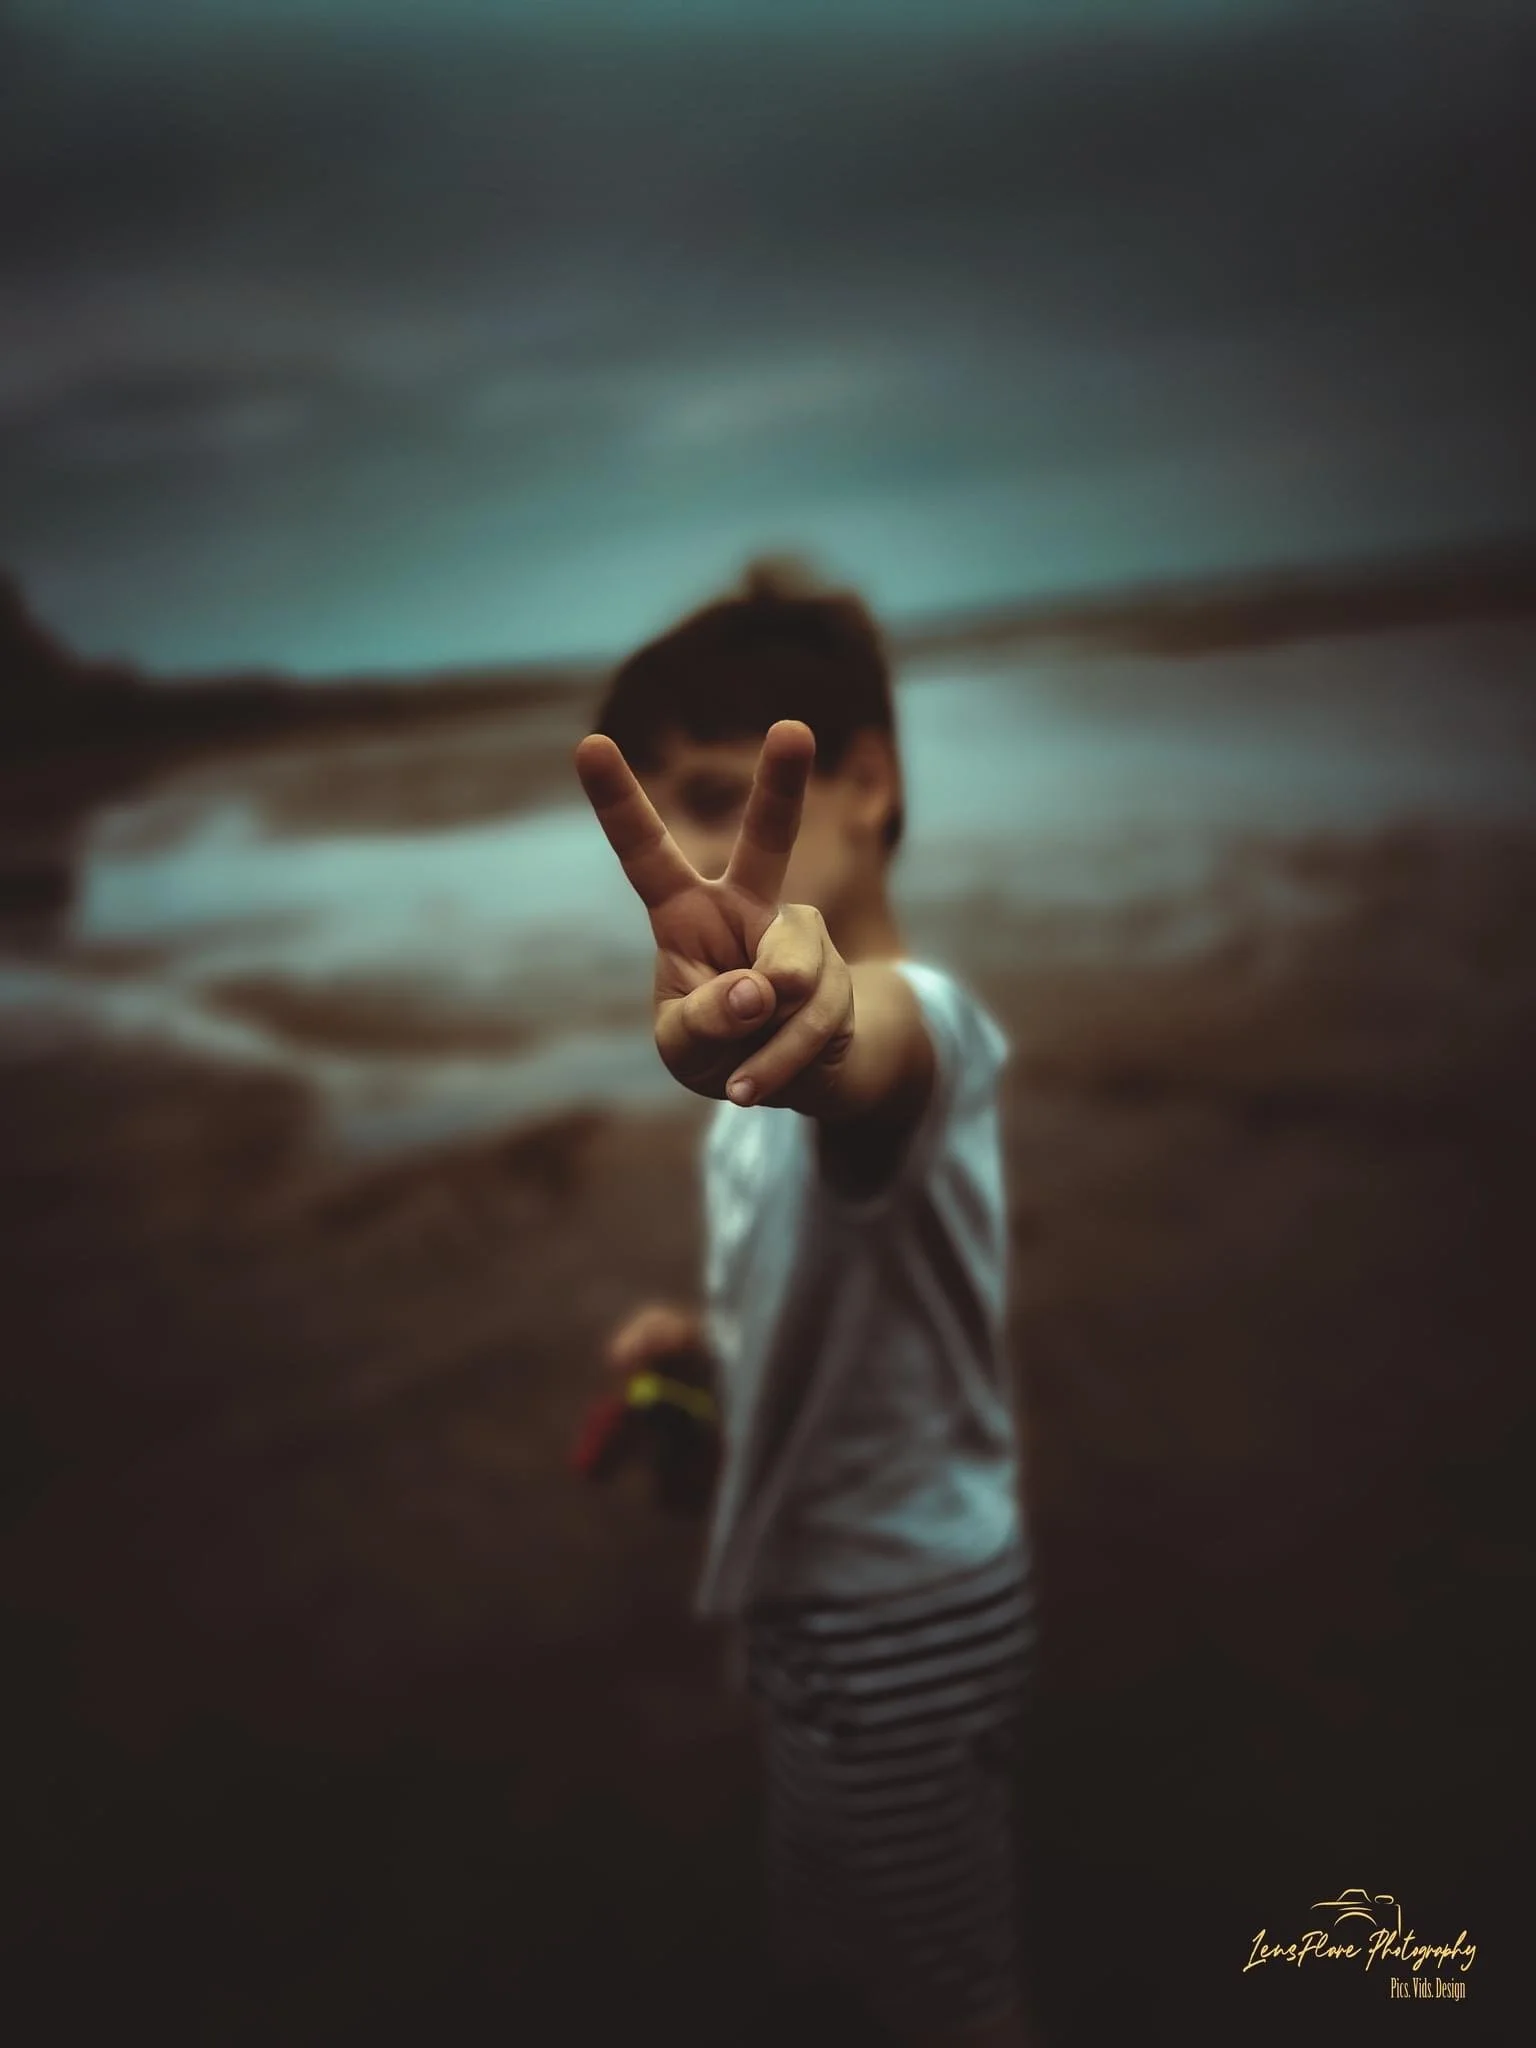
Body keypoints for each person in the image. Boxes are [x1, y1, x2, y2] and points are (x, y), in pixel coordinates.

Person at [574, 563, 1043, 2048]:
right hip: (818, 1605)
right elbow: (833, 1280)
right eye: (670, 811)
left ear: (867, 782)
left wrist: (830, 1029)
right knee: (838, 1948)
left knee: (950, 1997)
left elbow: (877, 1058)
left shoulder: (907, 1033)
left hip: (898, 1618)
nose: (709, 869)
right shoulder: (755, 1075)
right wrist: (712, 1352)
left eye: (718, 794)